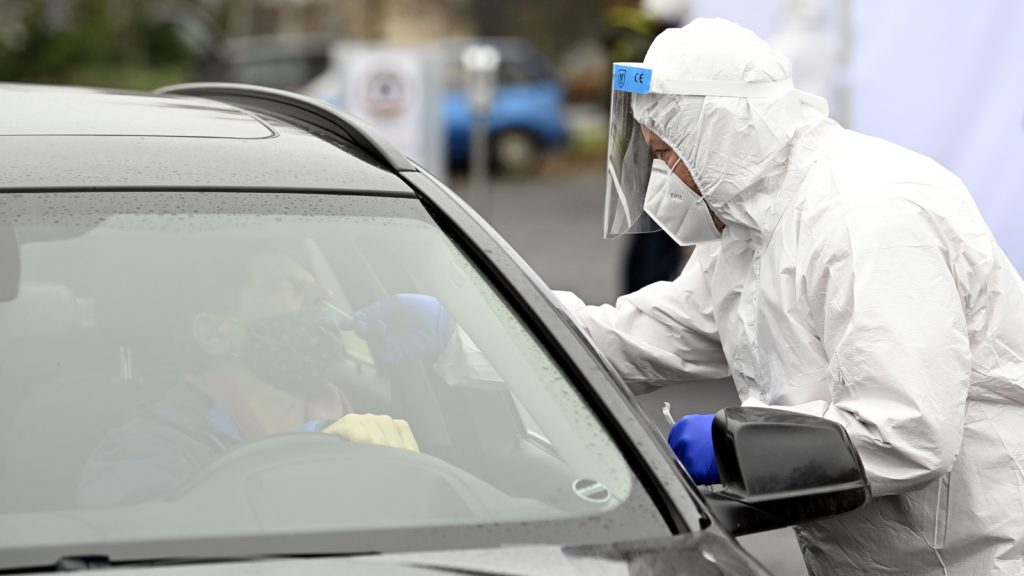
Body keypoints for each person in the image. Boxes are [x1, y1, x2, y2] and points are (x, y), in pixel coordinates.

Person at [560, 18, 1024, 575]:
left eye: (666, 154)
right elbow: (647, 336)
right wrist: (489, 332)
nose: (662, 178)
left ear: (721, 131)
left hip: (976, 556)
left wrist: (737, 447)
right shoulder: (750, 225)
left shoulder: (868, 215)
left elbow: (909, 433)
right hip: (867, 557)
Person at [79, 246, 452, 507]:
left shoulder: (361, 423)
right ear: (214, 334)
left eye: (316, 286)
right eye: (288, 285)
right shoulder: (144, 453)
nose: (323, 296)